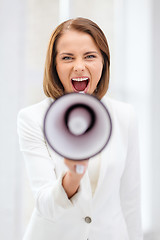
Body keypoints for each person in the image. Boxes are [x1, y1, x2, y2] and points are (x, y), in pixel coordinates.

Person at [17, 17, 143, 240]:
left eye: (90, 56)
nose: (79, 66)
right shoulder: (32, 119)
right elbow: (45, 205)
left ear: (103, 62)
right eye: (67, 58)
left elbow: (130, 199)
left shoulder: (125, 116)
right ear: (54, 66)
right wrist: (71, 179)